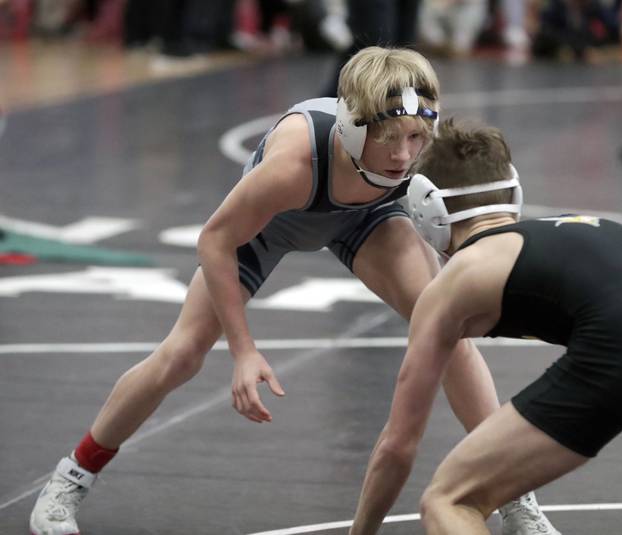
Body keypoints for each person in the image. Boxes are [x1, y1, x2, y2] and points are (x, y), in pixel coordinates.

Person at [28, 47, 558, 535]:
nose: (403, 156)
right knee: (182, 353)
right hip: (273, 223)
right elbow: (215, 239)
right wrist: (243, 350)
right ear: (354, 127)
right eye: (389, 139)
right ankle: (72, 476)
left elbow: (474, 215)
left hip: (368, 218)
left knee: (449, 330)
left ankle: (515, 498)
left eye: (415, 138)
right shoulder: (293, 163)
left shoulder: (418, 144)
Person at [348, 117, 622, 535]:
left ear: (425, 209)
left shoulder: (454, 281)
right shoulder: (581, 227)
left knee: (449, 499)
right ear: (513, 190)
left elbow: (398, 445)